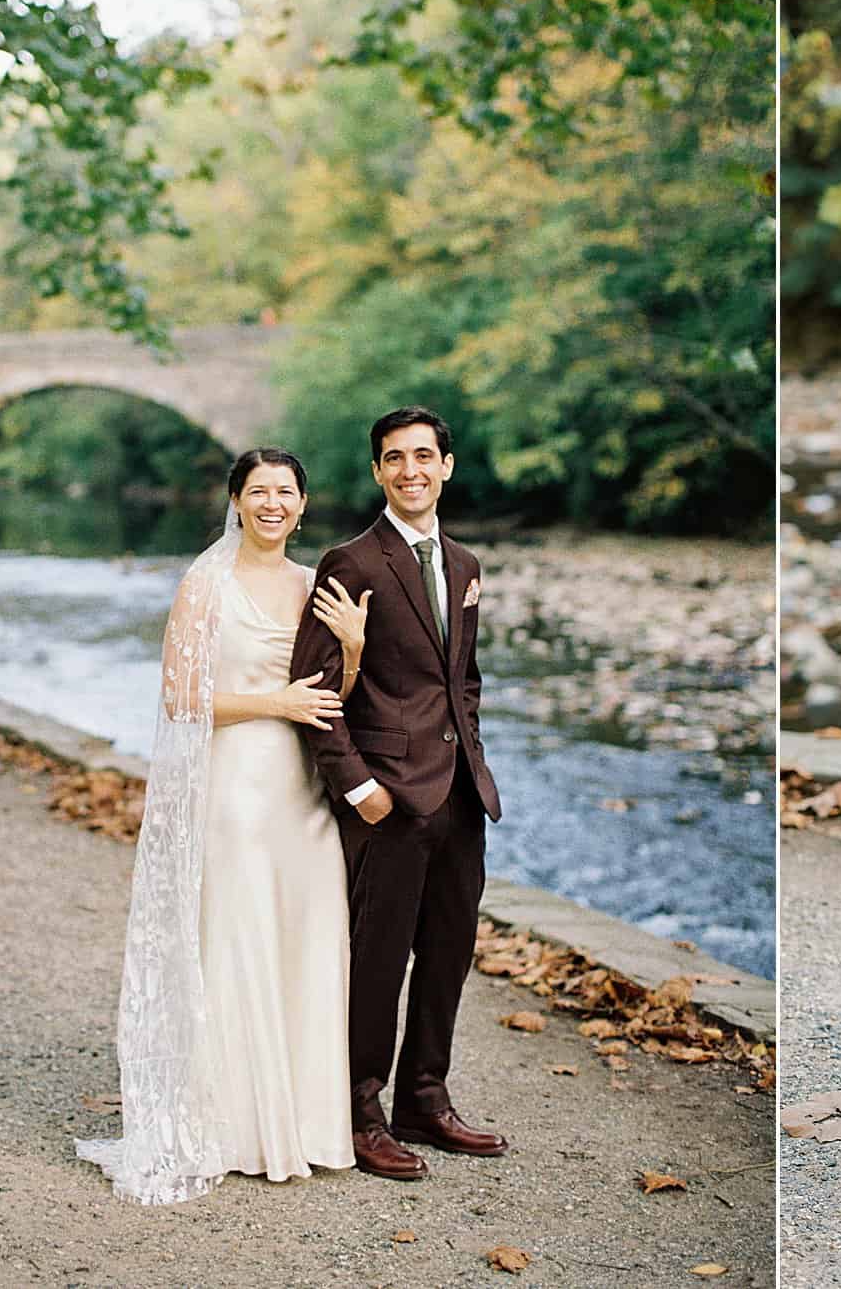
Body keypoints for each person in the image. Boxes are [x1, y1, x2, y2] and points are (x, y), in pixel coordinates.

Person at [78, 447, 372, 1203]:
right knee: (239, 938)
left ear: (303, 505)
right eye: (258, 491)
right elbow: (181, 699)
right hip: (236, 786)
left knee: (306, 938)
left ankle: (306, 1124)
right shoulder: (205, 585)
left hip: (304, 792)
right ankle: (236, 1126)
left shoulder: (317, 586)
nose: (272, 503)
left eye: (286, 492)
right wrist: (272, 702)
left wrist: (354, 650)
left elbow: (334, 699)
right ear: (236, 501)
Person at [288, 406, 507, 1182]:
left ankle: (426, 1096)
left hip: (460, 797)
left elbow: (465, 682)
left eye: (424, 455)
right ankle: (359, 1110)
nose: (411, 469)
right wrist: (359, 790)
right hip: (385, 801)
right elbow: (312, 690)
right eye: (394, 459)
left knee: (448, 953)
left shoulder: (467, 562)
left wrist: (475, 764)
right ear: (378, 473)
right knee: (377, 963)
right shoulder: (350, 561)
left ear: (447, 464)